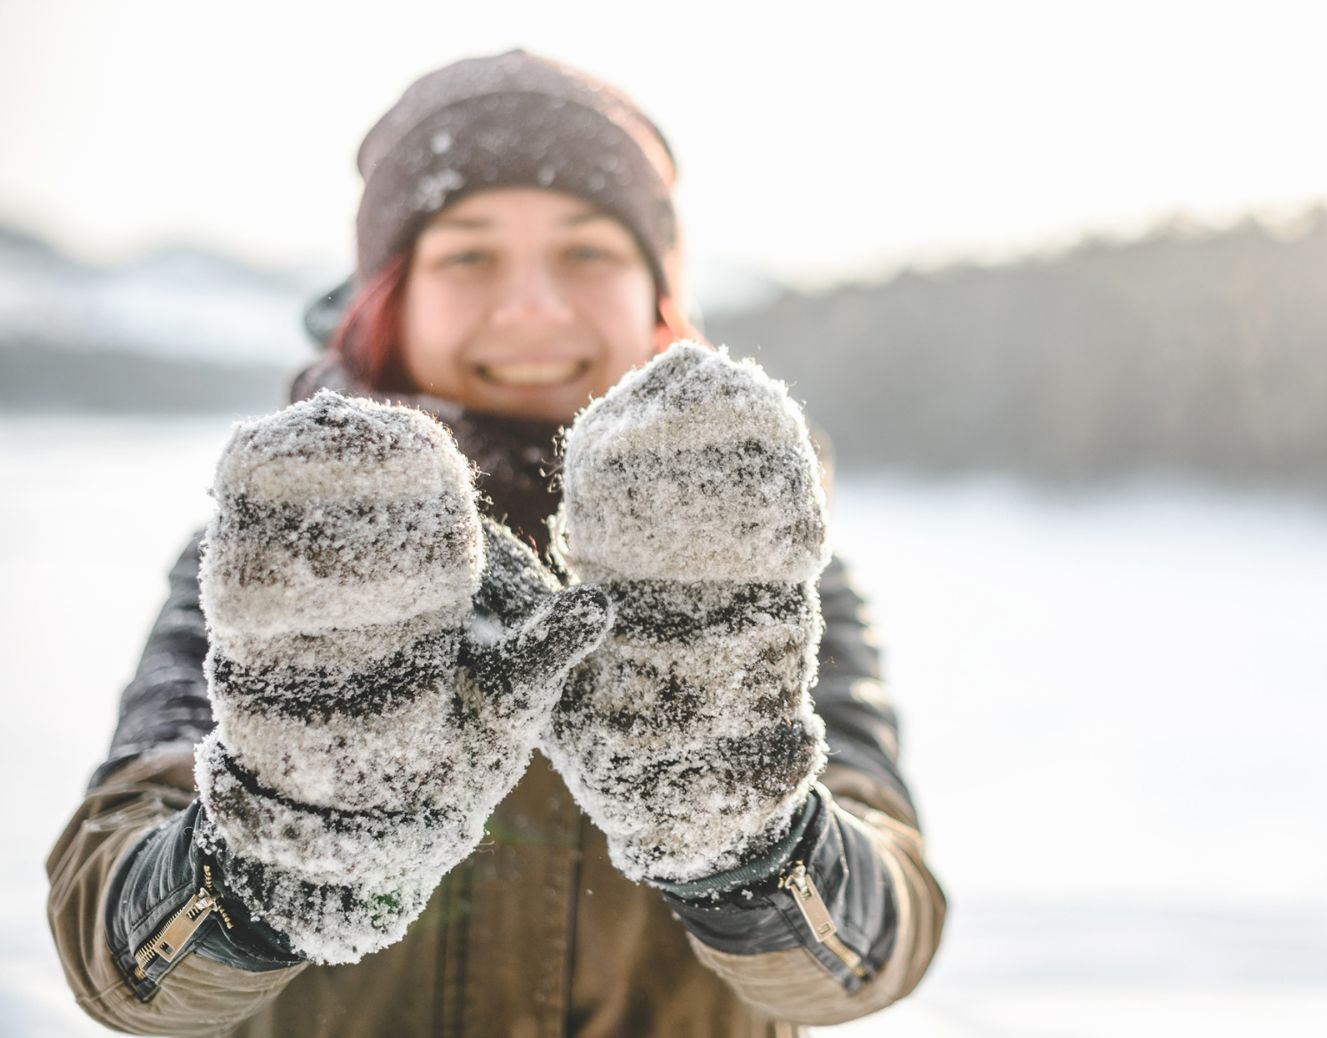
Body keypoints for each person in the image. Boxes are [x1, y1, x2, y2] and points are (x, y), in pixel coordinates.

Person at [46, 50, 946, 1036]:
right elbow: (124, 965)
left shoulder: (759, 569)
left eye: (587, 252)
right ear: (391, 294)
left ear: (657, 294)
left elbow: (865, 955)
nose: (530, 308)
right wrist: (276, 861)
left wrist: (745, 842)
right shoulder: (284, 555)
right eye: (468, 253)